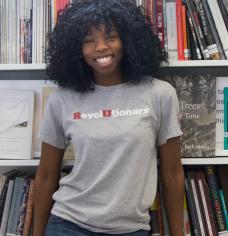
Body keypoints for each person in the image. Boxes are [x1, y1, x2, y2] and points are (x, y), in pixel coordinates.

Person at [33, 1, 184, 235]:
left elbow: (172, 173)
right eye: (88, 40)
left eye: (111, 37)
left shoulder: (160, 94)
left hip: (131, 229)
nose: (101, 47)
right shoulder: (61, 101)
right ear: (76, 49)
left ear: (128, 40)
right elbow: (45, 175)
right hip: (68, 224)